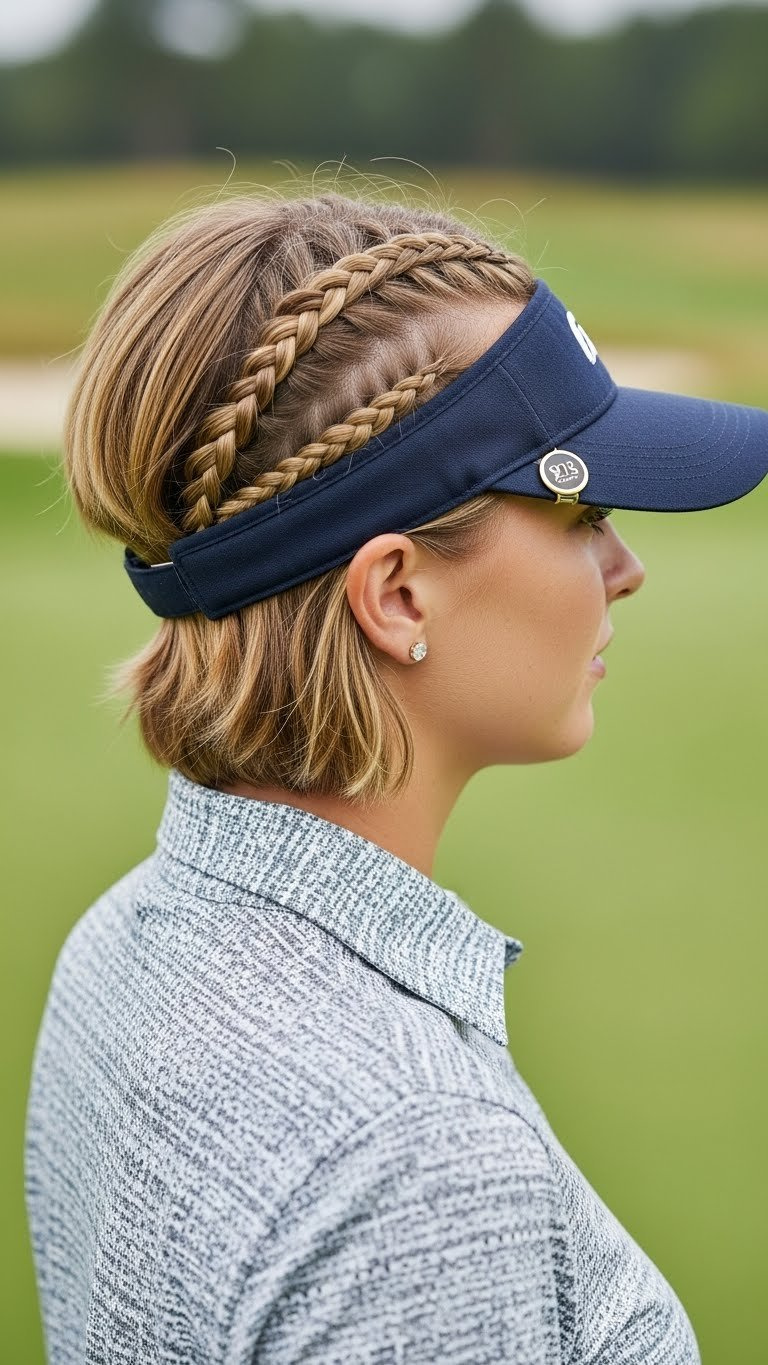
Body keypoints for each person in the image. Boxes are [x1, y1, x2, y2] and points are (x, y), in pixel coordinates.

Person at [24, 188, 767, 1365]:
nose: (625, 567)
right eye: (582, 512)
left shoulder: (128, 936)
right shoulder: (426, 1170)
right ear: (398, 593)